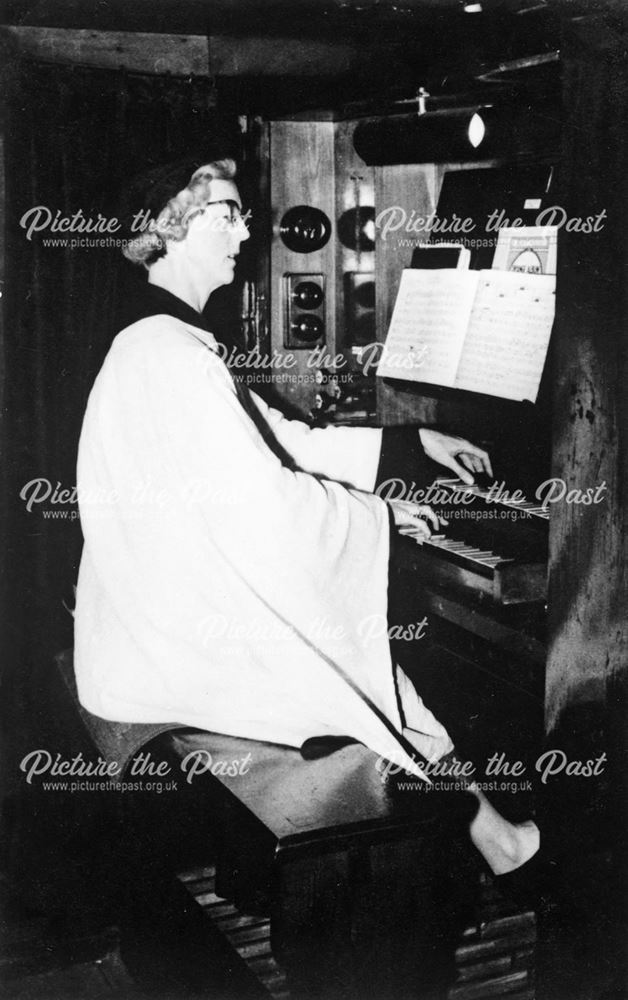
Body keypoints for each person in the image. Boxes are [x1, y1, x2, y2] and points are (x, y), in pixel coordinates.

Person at [74, 152, 539, 882]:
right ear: (169, 229)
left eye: (241, 213)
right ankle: (461, 859)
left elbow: (282, 441)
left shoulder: (163, 342)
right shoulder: (170, 357)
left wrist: (411, 441)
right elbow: (264, 503)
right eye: (226, 214)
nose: (244, 230)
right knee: (356, 679)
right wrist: (379, 517)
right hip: (170, 655)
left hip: (149, 626)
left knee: (372, 678)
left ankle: (492, 838)